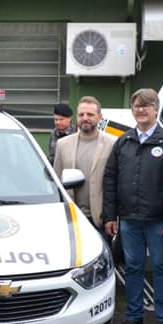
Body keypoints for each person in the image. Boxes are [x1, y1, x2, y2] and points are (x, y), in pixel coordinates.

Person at [103, 88, 163, 324]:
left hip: (157, 221)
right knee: (133, 267)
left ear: (156, 109)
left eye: (146, 105)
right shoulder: (123, 141)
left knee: (160, 267)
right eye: (137, 106)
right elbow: (111, 177)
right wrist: (111, 215)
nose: (141, 110)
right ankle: (134, 317)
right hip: (128, 219)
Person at [53, 97, 115, 229]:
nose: (85, 118)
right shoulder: (62, 144)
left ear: (100, 117)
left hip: (100, 219)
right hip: (71, 218)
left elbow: (115, 184)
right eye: (81, 114)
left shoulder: (112, 144)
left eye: (90, 114)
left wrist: (112, 217)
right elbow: (57, 181)